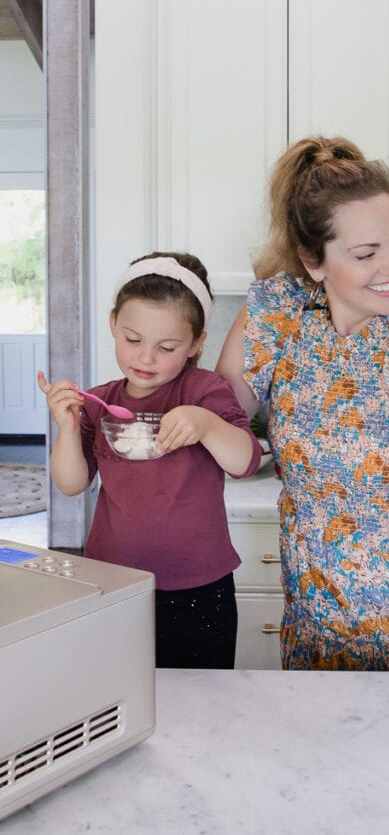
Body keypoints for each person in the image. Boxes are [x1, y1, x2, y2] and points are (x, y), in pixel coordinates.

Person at [216, 135, 389, 670]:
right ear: (314, 262)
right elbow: (217, 418)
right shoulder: (276, 319)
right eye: (366, 253)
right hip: (316, 624)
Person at [38, 251, 262, 669]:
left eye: (166, 347)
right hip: (114, 583)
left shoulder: (204, 391)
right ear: (113, 326)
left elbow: (244, 461)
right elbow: (71, 483)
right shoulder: (100, 402)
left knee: (201, 706)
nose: (145, 358)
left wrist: (207, 425)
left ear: (196, 343)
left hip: (200, 590)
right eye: (133, 339)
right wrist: (68, 428)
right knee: (118, 696)